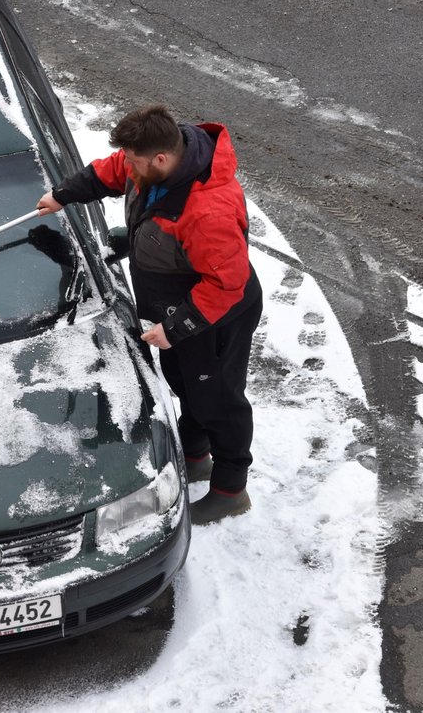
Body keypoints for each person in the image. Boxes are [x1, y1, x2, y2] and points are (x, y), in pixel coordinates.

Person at [36, 104, 262, 525]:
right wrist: (63, 195)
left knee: (219, 401)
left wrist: (177, 329)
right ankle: (197, 457)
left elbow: (226, 284)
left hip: (216, 315)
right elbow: (111, 171)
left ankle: (232, 489)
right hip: (178, 309)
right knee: (186, 385)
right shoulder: (155, 161)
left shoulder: (207, 211)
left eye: (134, 163)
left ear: (160, 159)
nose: (128, 170)